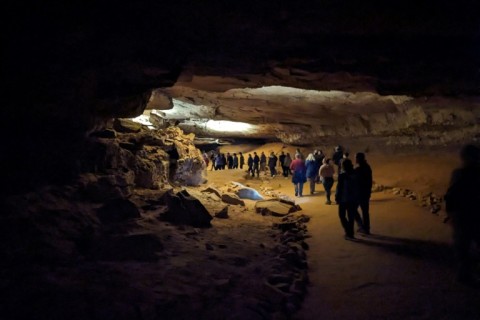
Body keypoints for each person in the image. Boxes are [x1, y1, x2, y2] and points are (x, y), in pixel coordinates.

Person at [445, 144, 480, 285]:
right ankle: (466, 273)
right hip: (475, 214)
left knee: (462, 246)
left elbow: (451, 195)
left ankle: (464, 274)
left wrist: (451, 213)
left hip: (463, 215)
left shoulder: (458, 174)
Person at [335, 159, 359, 240]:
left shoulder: (342, 175)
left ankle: (348, 231)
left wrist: (337, 197)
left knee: (342, 215)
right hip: (353, 199)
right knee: (351, 216)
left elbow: (339, 188)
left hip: (343, 199)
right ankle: (350, 233)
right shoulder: (355, 174)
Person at [354, 152, 373, 235]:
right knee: (365, 211)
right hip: (365, 192)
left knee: (352, 209)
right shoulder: (367, 167)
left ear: (359, 158)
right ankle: (366, 228)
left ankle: (361, 226)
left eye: (356, 158)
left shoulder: (360, 169)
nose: (355, 159)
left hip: (359, 193)